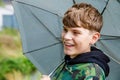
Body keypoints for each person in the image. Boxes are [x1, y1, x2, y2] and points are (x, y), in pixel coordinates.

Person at [41, 2, 110, 80]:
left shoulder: (92, 74)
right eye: (65, 29)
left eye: (76, 32)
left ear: (93, 38)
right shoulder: (68, 61)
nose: (66, 37)